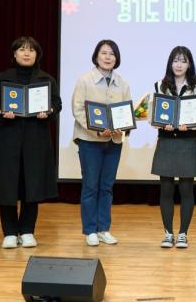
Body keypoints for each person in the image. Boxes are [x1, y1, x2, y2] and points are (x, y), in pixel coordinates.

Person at [0, 37, 61, 249]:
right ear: (14, 54)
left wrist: (49, 111)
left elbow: (57, 103)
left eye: (31, 50)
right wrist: (1, 112)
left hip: (36, 140)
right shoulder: (2, 78)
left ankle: (27, 231)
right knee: (7, 185)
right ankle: (9, 232)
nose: (27, 54)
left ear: (37, 54)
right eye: (22, 49)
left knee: (32, 185)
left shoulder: (46, 79)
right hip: (7, 139)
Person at [71, 40, 131, 247]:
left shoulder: (122, 83)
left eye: (112, 54)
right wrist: (96, 129)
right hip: (90, 140)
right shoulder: (84, 80)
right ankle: (90, 230)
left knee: (106, 187)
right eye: (104, 53)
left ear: (117, 58)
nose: (108, 57)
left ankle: (103, 229)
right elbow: (78, 110)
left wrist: (123, 127)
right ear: (96, 56)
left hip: (114, 141)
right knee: (90, 186)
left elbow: (126, 112)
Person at [151, 46, 196, 249]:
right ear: (170, 63)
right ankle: (168, 233)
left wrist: (190, 125)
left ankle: (183, 234)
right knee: (166, 189)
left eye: (183, 61)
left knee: (187, 189)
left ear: (189, 64)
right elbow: (154, 115)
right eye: (175, 60)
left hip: (187, 141)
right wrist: (161, 123)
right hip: (166, 141)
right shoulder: (160, 85)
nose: (179, 65)